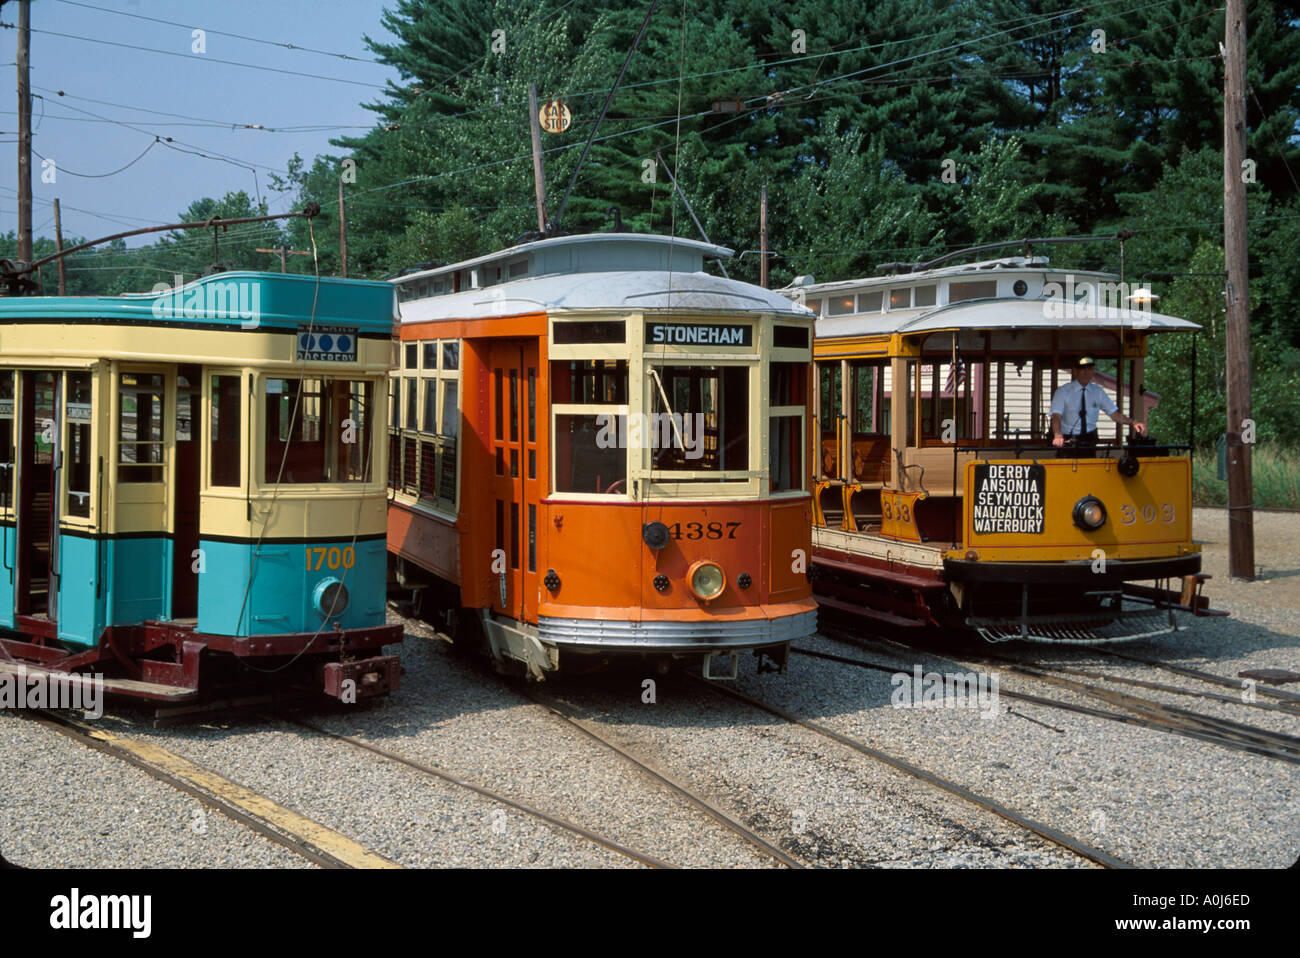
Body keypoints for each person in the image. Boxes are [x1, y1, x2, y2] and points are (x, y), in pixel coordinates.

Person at [1049, 356, 1145, 457]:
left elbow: (1114, 414)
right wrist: (1058, 435)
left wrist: (1133, 422)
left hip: (1089, 441)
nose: (1086, 373)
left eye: (1090, 369)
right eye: (1083, 369)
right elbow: (1056, 416)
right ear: (1075, 370)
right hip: (1068, 442)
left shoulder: (1098, 391)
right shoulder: (1063, 392)